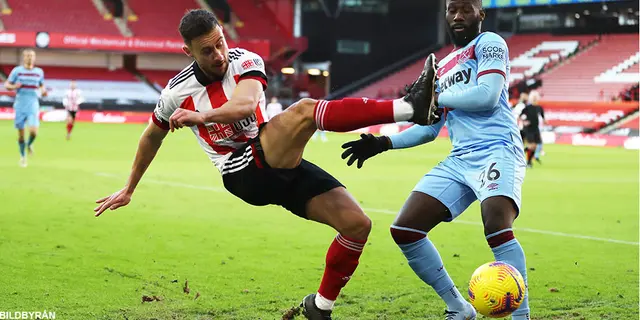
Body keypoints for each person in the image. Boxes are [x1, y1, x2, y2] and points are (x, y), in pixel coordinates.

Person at [93, 9, 439, 320]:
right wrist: (129, 187)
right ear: (189, 53)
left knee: (356, 225)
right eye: (207, 51)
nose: (219, 55)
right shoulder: (174, 94)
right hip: (242, 172)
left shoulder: (245, 61)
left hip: (274, 157)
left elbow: (244, 105)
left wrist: (202, 116)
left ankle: (320, 307)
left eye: (220, 43)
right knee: (305, 110)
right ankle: (410, 108)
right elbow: (151, 137)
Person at [340, 0, 530, 319]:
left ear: (480, 14)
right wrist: (383, 142)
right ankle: (458, 306)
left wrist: (434, 96)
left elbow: (486, 96)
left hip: (496, 148)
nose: (458, 15)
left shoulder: (489, 43)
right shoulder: (441, 69)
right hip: (459, 158)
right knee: (405, 229)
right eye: (451, 9)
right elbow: (428, 130)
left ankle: (522, 316)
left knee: (496, 223)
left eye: (466, 9)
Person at [4, 49, 46, 167]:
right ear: (24, 58)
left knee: (34, 132)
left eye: (32, 56)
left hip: (33, 103)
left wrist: (43, 91)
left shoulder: (39, 72)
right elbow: (7, 84)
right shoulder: (17, 71)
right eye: (27, 56)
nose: (30, 58)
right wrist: (14, 86)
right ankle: (23, 157)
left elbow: (42, 84)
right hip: (20, 104)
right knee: (21, 134)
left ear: (35, 58)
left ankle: (29, 144)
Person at [520, 90, 544, 167]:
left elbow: (543, 117)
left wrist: (545, 121)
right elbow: (521, 116)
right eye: (533, 97)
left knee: (535, 146)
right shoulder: (527, 107)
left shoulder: (539, 108)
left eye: (535, 97)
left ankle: (527, 155)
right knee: (531, 145)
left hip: (536, 129)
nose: (534, 98)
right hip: (529, 129)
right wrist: (524, 122)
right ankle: (528, 162)